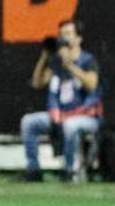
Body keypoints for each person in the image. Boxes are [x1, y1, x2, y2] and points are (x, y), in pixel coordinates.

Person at [21, 19, 103, 182]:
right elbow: (37, 83)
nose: (63, 38)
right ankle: (33, 170)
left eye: (68, 33)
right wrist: (45, 56)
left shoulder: (87, 60)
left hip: (87, 116)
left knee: (70, 125)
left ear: (78, 38)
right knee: (28, 122)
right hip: (60, 114)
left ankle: (69, 170)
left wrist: (70, 66)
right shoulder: (55, 63)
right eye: (61, 34)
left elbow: (92, 85)